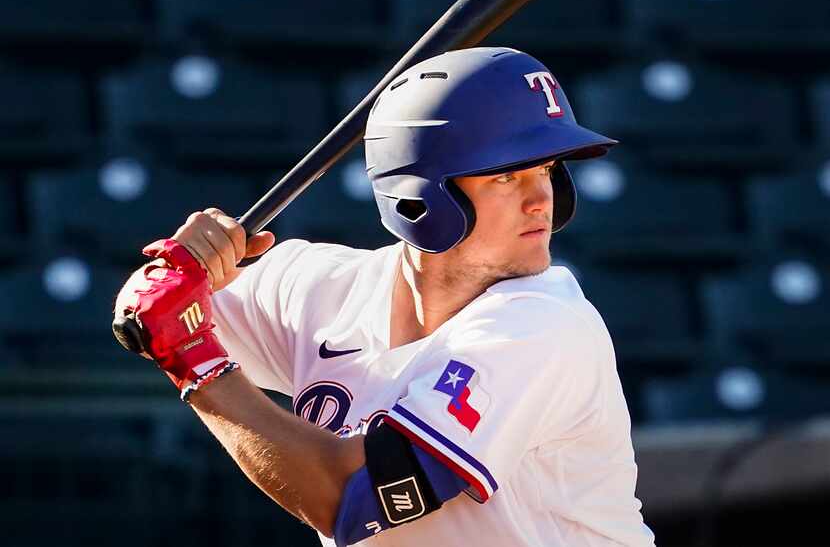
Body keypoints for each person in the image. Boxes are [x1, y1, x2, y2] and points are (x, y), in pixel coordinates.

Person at [115, 47, 656, 547]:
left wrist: (198, 366)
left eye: (546, 170)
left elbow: (356, 498)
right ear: (420, 197)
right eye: (507, 177)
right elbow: (147, 315)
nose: (542, 200)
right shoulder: (315, 285)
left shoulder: (544, 326)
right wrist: (177, 269)